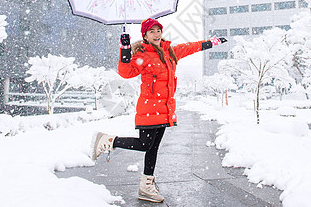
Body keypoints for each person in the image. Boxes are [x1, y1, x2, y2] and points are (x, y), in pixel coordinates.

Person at [91, 18, 227, 203]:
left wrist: (211, 42)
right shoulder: (143, 55)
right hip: (149, 108)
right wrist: (124, 49)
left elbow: (190, 47)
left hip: (164, 109)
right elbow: (126, 72)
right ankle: (108, 141)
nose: (156, 34)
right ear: (145, 36)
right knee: (145, 145)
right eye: (152, 31)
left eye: (158, 30)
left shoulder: (170, 52)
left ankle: (146, 186)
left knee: (153, 149)